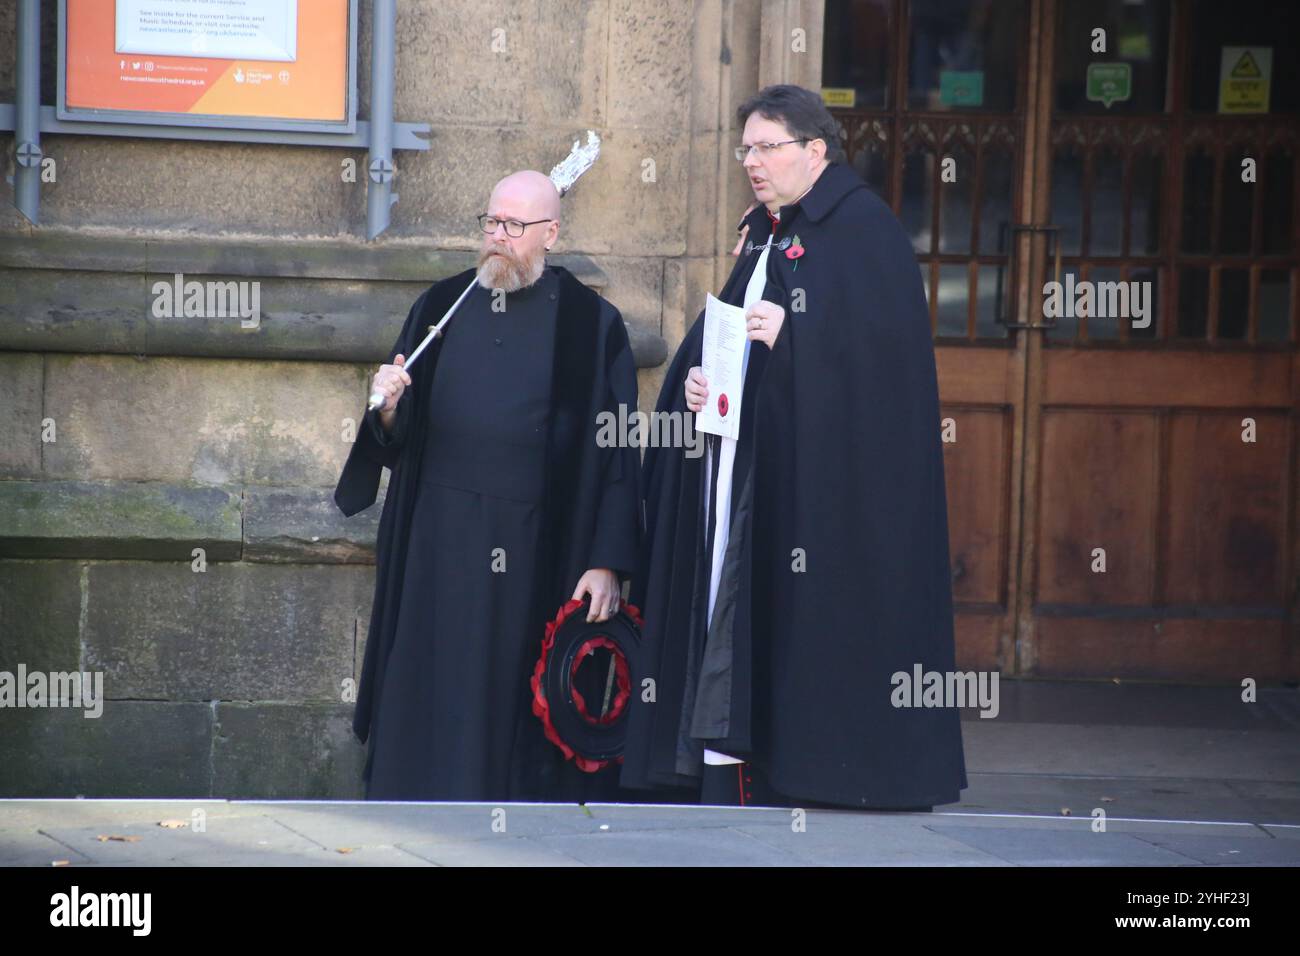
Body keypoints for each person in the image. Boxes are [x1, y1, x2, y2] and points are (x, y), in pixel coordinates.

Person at [620, 84, 968, 810]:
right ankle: (737, 766)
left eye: (767, 147)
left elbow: (883, 370)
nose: (752, 161)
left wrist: (797, 341)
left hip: (835, 498)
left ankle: (834, 773)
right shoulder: (772, 230)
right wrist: (698, 381)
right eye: (745, 148)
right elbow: (729, 333)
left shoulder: (863, 230)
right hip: (752, 472)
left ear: (815, 151)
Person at [334, 170, 642, 803]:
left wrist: (607, 560)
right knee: (428, 676)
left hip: (535, 543)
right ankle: (408, 809)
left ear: (551, 233)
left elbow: (617, 452)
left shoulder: (593, 325)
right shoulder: (439, 307)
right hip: (436, 538)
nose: (498, 238)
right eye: (491, 223)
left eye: (515, 226)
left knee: (509, 692)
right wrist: (387, 409)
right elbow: (396, 437)